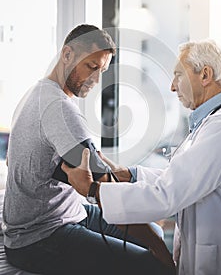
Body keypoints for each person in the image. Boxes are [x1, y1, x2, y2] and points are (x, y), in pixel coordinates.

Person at [2, 24, 174, 275]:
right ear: (67, 54)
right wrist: (162, 251)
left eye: (102, 70)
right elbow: (106, 188)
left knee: (154, 231)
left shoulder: (37, 91)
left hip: (70, 212)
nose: (96, 79)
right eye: (91, 67)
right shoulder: (57, 109)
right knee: (149, 263)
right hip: (38, 238)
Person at [61, 39, 221, 275]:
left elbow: (167, 195)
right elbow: (179, 179)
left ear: (205, 75)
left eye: (178, 76)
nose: (173, 87)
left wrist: (93, 190)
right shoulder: (212, 123)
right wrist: (130, 174)